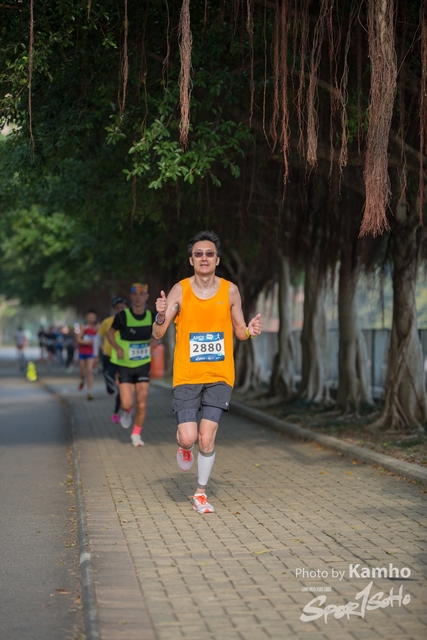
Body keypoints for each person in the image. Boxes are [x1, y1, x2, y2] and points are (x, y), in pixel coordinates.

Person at [152, 230, 262, 514]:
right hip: (187, 376)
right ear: (191, 260)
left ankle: (200, 493)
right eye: (198, 254)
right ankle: (183, 446)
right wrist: (161, 314)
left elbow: (240, 331)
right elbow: (158, 332)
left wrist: (250, 330)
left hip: (219, 376)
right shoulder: (180, 290)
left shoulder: (230, 290)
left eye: (209, 254)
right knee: (189, 437)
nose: (204, 258)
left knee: (206, 436)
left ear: (217, 259)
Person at [107, 284, 153, 447]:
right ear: (132, 297)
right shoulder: (122, 316)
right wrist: (117, 348)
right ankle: (127, 412)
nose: (138, 297)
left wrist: (155, 342)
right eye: (135, 294)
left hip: (143, 364)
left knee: (142, 403)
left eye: (142, 294)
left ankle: (136, 434)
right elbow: (110, 333)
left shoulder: (151, 316)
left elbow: (158, 334)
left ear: (146, 297)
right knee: (127, 404)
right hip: (125, 365)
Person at [98, 296, 127, 422]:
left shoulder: (130, 321)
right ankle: (110, 388)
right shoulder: (107, 322)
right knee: (111, 386)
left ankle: (117, 412)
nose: (120, 310)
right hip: (109, 356)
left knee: (122, 387)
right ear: (113, 310)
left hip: (123, 358)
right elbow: (98, 337)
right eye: (117, 308)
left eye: (122, 308)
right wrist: (99, 350)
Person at [77, 310, 98, 400]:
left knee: (90, 371)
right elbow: (79, 339)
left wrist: (97, 355)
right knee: (83, 372)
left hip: (91, 353)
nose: (91, 319)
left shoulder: (97, 328)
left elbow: (98, 341)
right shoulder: (83, 327)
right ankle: (82, 380)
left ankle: (89, 391)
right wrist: (87, 342)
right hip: (82, 352)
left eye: (93, 317)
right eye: (90, 317)